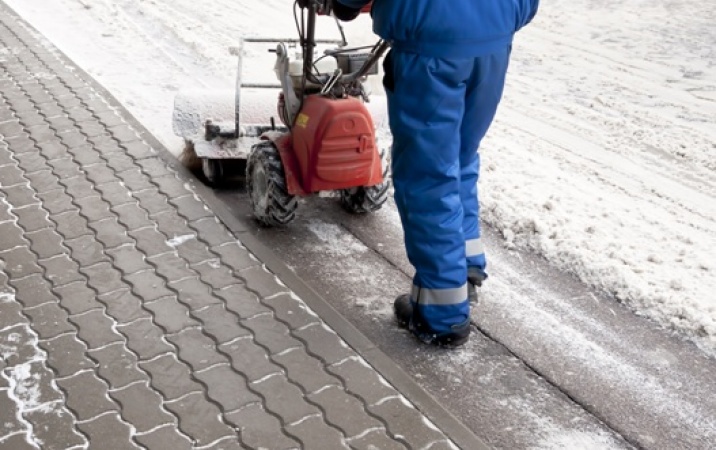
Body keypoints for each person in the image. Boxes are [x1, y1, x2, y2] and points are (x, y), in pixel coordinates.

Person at [331, 0, 539, 347]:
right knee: (459, 157)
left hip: (431, 46)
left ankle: (443, 315)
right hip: (493, 39)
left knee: (428, 178)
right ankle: (466, 265)